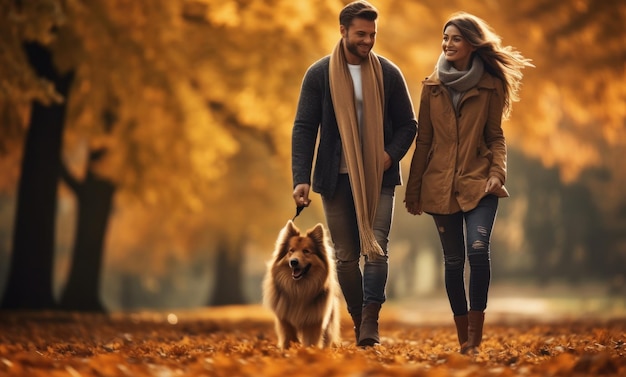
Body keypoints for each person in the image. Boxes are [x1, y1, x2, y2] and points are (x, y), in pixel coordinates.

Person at [404, 12, 533, 354]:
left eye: (455, 38)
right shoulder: (431, 88)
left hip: (480, 184)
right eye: (445, 38)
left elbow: (495, 137)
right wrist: (413, 190)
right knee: (452, 263)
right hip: (440, 186)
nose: (447, 44)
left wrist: (497, 173)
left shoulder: (491, 85)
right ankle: (463, 338)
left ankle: (475, 337)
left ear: (472, 45)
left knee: (478, 253)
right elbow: (425, 142)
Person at [291, 0, 417, 347]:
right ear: (343, 30)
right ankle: (359, 317)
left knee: (376, 249)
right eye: (361, 34)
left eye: (372, 34)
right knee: (346, 258)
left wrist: (390, 155)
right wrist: (300, 177)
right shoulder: (319, 74)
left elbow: (409, 124)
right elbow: (304, 127)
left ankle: (371, 324)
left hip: (378, 177)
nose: (368, 40)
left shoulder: (388, 73)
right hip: (335, 178)